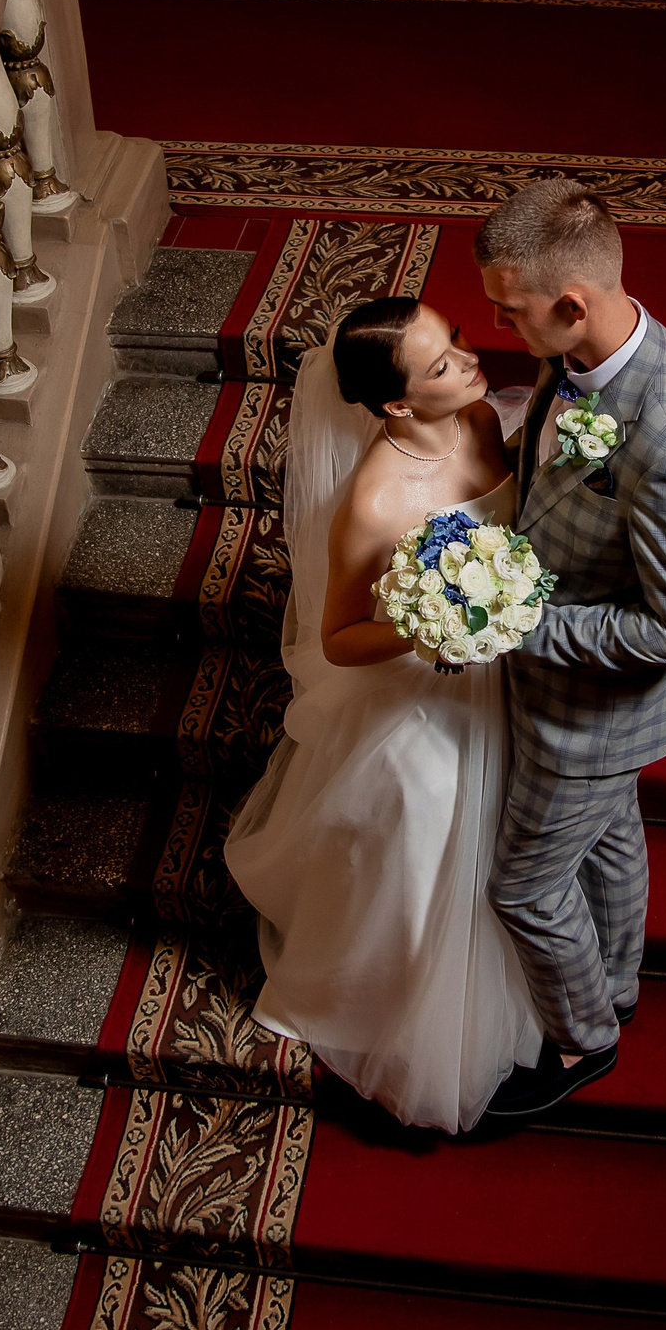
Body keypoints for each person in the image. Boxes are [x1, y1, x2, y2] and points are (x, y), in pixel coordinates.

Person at [222, 294, 544, 1131]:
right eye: (442, 364)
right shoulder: (374, 500)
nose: (469, 361)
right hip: (428, 681)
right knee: (427, 809)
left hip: (516, 664)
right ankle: (413, 1004)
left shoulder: (483, 418)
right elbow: (337, 637)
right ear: (398, 404)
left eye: (458, 338)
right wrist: (426, 624)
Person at [474, 177, 666, 1118]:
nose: (499, 325)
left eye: (511, 310)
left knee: (524, 889)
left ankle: (584, 1038)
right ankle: (616, 983)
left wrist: (511, 620)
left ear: (573, 304)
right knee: (611, 834)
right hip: (569, 682)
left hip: (596, 706)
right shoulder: (580, 355)